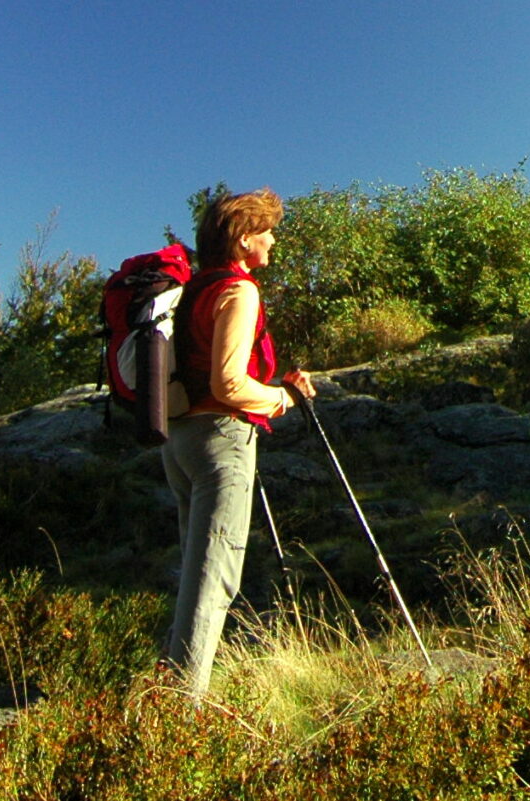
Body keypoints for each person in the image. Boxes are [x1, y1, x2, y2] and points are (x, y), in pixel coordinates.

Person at [159, 187, 316, 698]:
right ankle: (182, 713)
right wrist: (282, 397)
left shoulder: (195, 288)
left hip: (178, 439)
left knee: (194, 570)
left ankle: (167, 694)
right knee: (213, 579)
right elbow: (229, 383)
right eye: (266, 231)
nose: (272, 241)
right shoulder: (239, 291)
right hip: (220, 440)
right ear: (245, 239)